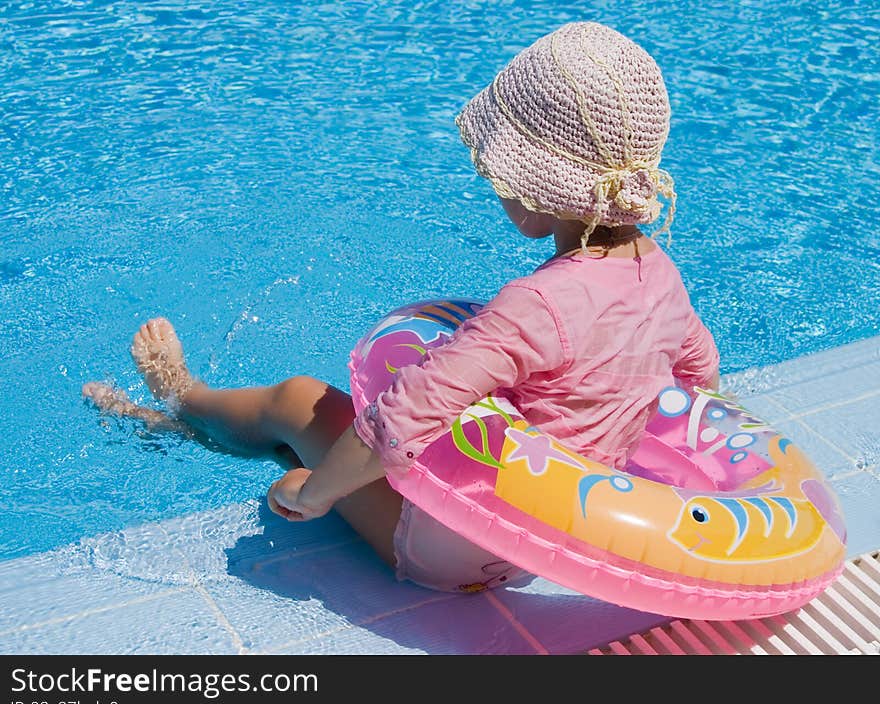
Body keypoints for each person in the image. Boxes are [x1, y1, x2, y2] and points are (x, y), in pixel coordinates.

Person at [83, 21, 719, 594]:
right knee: (313, 441)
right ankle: (193, 429)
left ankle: (181, 397)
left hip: (459, 546)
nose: (488, 181)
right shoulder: (663, 279)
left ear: (536, 184)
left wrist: (317, 495)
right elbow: (698, 383)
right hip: (551, 544)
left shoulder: (535, 307)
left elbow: (403, 419)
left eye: (496, 173)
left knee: (302, 405)